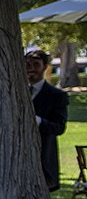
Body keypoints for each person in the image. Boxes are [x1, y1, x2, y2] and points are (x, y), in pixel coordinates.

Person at [26, 48, 69, 191]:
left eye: (36, 65)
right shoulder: (13, 92)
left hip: (42, 159)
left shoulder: (56, 96)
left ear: (45, 67)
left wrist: (37, 121)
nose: (31, 69)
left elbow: (59, 127)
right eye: (27, 65)